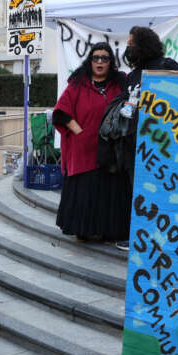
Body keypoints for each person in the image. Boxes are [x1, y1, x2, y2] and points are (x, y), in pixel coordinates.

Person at [110, 26, 178, 250]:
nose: (128, 48)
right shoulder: (132, 74)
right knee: (139, 192)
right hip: (136, 146)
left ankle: (163, 239)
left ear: (144, 44)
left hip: (163, 146)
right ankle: (140, 238)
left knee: (162, 193)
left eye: (132, 43)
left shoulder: (166, 67)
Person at [53, 42, 129, 242]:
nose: (100, 62)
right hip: (84, 151)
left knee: (109, 191)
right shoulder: (78, 84)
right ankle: (84, 230)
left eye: (105, 58)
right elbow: (60, 113)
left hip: (110, 151)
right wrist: (80, 132)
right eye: (96, 58)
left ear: (110, 62)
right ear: (90, 60)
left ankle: (108, 230)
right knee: (85, 191)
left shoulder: (120, 83)